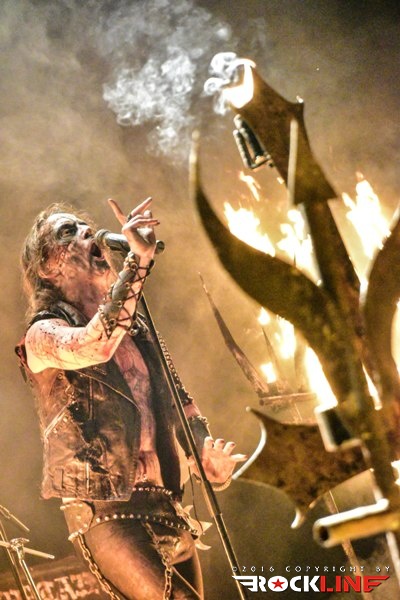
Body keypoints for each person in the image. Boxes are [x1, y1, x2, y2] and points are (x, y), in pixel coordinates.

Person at [15, 197, 246, 600]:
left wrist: (204, 456)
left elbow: (179, 402)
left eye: (85, 227)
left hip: (169, 505)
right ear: (47, 266)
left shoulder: (137, 329)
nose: (87, 232)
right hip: (110, 515)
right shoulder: (42, 335)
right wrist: (138, 263)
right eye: (68, 232)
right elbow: (94, 344)